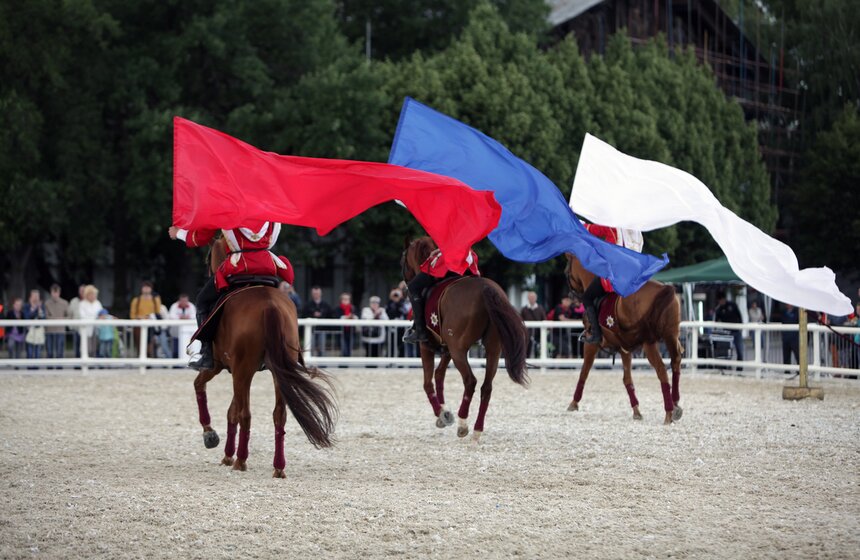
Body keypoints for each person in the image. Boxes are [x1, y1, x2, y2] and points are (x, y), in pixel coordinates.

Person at [168, 221, 294, 370]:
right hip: (267, 266)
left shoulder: (227, 213)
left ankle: (207, 353)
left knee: (202, 301)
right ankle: (294, 352)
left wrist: (179, 233)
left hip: (238, 266)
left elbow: (200, 238)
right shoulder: (271, 213)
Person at [403, 246, 480, 344]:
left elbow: (451, 242)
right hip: (467, 257)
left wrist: (440, 250)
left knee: (413, 286)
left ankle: (420, 330)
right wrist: (439, 249)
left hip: (449, 258)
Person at [130, 281, 162, 357]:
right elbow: (132, 315)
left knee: (151, 345)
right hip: (139, 326)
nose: (146, 289)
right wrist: (140, 317)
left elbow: (158, 312)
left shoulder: (156, 299)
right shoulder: (136, 300)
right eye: (144, 287)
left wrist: (150, 317)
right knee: (140, 346)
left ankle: (151, 359)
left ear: (151, 289)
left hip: (152, 326)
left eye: (148, 287)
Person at [714, 291, 745, 364]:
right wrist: (715, 330)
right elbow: (716, 321)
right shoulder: (719, 309)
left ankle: (740, 367)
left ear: (724, 299)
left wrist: (741, 326)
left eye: (721, 300)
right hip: (727, 333)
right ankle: (728, 366)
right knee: (727, 351)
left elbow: (739, 316)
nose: (720, 302)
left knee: (739, 350)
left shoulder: (732, 305)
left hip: (736, 331)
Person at [301, 286, 332, 355]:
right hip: (311, 330)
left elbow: (330, 315)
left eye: (317, 293)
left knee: (322, 349)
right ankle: (310, 362)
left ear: (321, 294)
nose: (316, 295)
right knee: (310, 349)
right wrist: (312, 314)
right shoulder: (308, 305)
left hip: (322, 330)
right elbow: (304, 315)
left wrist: (322, 315)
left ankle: (322, 362)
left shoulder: (326, 305)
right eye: (314, 293)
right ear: (312, 294)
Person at [44, 284, 70, 367]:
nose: (55, 294)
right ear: (51, 292)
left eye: (57, 292)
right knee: (49, 350)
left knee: (59, 350)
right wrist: (55, 319)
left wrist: (62, 319)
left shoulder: (64, 303)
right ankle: (50, 367)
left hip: (60, 330)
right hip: (49, 330)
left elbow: (69, 316)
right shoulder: (47, 303)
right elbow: (46, 316)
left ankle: (59, 367)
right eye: (53, 292)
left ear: (59, 293)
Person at [168, 294, 197, 359]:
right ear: (179, 300)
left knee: (189, 346)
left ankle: (188, 360)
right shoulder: (174, 306)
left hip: (188, 332)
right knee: (176, 348)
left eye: (185, 301)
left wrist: (188, 317)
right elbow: (171, 315)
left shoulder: (191, 305)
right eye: (182, 301)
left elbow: (194, 315)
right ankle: (176, 361)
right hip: (176, 332)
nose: (184, 302)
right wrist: (180, 317)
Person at [361, 296, 389, 361]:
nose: (374, 304)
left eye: (376, 303)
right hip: (368, 338)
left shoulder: (382, 310)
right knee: (368, 354)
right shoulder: (366, 310)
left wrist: (380, 314)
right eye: (373, 303)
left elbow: (387, 320)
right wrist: (375, 314)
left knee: (377, 355)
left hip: (379, 338)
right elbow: (367, 320)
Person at [78, 285, 104, 357]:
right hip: (86, 330)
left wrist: (99, 318)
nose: (94, 296)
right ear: (87, 295)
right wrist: (95, 318)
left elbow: (101, 314)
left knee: (95, 348)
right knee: (87, 348)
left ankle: (94, 362)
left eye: (95, 294)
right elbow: (83, 316)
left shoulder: (98, 303)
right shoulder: (82, 304)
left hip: (96, 329)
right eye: (92, 294)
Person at [520, 291, 546, 357]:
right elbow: (521, 320)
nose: (532, 299)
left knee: (538, 350)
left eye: (533, 297)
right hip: (527, 333)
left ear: (536, 298)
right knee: (527, 350)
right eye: (530, 297)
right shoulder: (524, 309)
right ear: (528, 298)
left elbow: (544, 319)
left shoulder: (540, 309)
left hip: (538, 333)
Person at [23, 289, 46, 363]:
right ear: (30, 297)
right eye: (34, 296)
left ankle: (36, 367)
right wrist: (34, 309)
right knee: (29, 352)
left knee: (37, 352)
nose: (36, 298)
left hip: (38, 331)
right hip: (29, 331)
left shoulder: (42, 306)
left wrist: (39, 309)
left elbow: (43, 318)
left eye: (37, 296)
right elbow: (27, 317)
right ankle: (30, 367)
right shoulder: (26, 306)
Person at [385, 288, 409, 357]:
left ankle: (401, 361)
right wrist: (392, 301)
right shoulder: (389, 303)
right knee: (390, 346)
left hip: (401, 329)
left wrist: (398, 302)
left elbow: (405, 312)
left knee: (402, 346)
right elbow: (389, 313)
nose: (395, 296)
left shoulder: (403, 303)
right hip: (391, 329)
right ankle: (390, 360)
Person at [334, 293, 358, 357]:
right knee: (343, 349)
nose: (345, 301)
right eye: (344, 299)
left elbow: (357, 317)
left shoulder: (353, 308)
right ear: (341, 300)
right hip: (341, 333)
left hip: (351, 332)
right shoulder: (338, 308)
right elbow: (337, 317)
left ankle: (347, 362)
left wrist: (352, 317)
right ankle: (343, 362)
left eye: (347, 299)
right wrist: (346, 317)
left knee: (349, 349)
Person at [68, 284, 86, 357]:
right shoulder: (73, 301)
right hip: (76, 329)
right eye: (81, 290)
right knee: (77, 347)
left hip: (87, 329)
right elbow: (70, 314)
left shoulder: (89, 301)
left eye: (84, 290)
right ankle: (77, 362)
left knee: (86, 347)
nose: (82, 292)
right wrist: (71, 326)